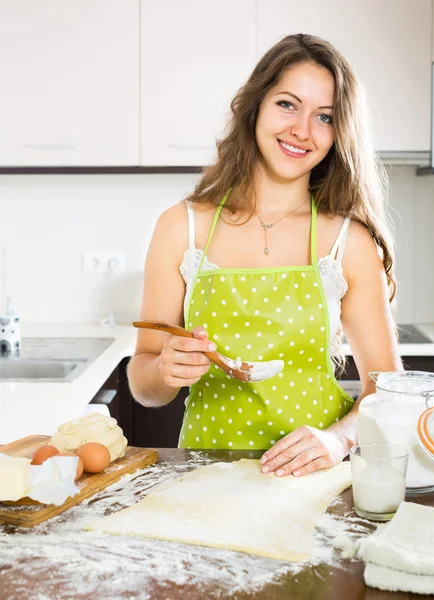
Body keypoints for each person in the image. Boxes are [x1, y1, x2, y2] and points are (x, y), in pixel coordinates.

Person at [128, 33, 402, 478]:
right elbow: (145, 386)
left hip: (314, 480)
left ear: (338, 133)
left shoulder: (348, 241)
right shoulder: (183, 226)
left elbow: (387, 392)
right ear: (255, 105)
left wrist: (339, 439)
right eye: (288, 104)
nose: (302, 130)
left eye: (325, 117)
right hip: (204, 477)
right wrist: (164, 368)